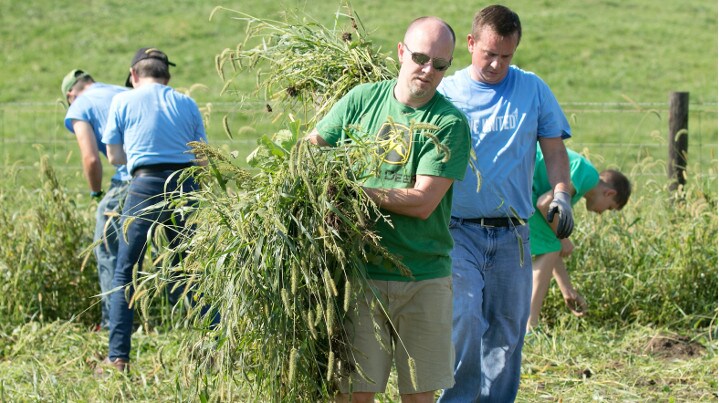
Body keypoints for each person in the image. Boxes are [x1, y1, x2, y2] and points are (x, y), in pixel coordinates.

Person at [307, 17, 470, 403]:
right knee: (354, 394)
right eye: (420, 57)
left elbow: (423, 202)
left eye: (440, 64)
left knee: (418, 396)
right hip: (360, 277)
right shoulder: (361, 100)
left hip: (423, 279)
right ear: (400, 52)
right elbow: (311, 149)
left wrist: (354, 190)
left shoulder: (448, 124)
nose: (428, 70)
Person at [436, 5, 574, 402]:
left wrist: (561, 193)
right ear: (470, 43)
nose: (497, 64)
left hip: (513, 233)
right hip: (457, 229)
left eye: (506, 56)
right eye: (489, 54)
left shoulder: (532, 89)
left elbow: (554, 151)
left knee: (508, 331)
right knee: (463, 320)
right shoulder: (445, 93)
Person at [99, 47, 207, 373]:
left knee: (126, 272)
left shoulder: (122, 101)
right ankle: (210, 350)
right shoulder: (187, 102)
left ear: (134, 75)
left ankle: (118, 358)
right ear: (168, 76)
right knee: (188, 270)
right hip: (184, 185)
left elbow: (115, 157)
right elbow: (202, 158)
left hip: (143, 185)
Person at [527, 146, 632, 331]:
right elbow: (544, 204)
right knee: (552, 246)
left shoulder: (578, 189)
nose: (601, 213)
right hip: (523, 185)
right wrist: (563, 236)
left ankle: (528, 325)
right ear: (610, 193)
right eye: (608, 208)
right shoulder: (588, 176)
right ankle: (529, 327)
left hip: (520, 185)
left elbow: (549, 241)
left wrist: (566, 289)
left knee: (550, 246)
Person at [61, 69, 130, 330]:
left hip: (130, 178)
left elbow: (91, 158)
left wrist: (97, 192)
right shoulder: (123, 91)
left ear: (70, 94)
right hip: (167, 175)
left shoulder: (79, 105)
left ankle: (113, 323)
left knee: (107, 246)